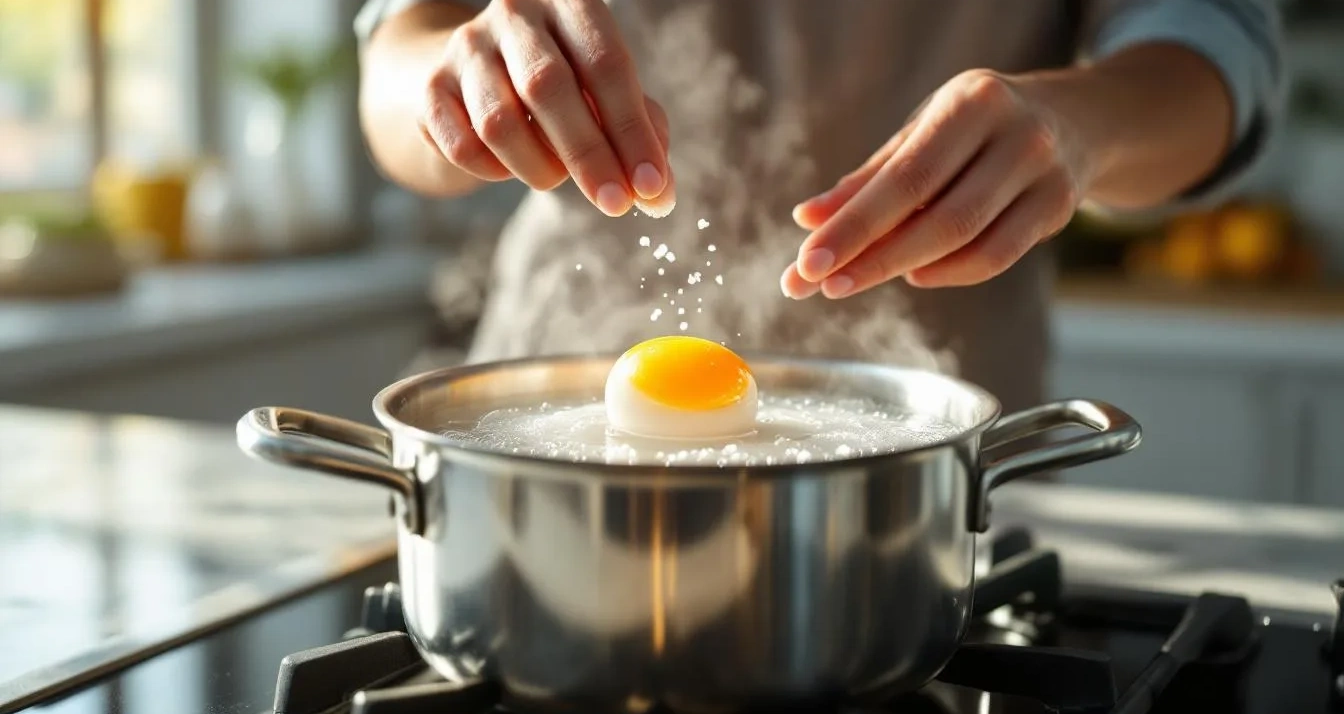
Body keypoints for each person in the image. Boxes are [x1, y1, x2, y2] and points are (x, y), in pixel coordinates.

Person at [355, 0, 1281, 413]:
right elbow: (396, 54)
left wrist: (1081, 125)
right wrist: (454, 91)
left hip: (938, 450)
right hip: (546, 406)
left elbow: (1214, 42)